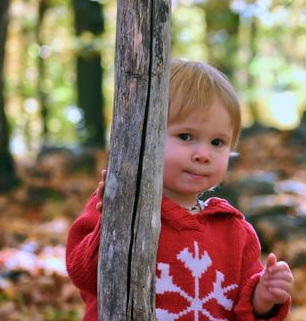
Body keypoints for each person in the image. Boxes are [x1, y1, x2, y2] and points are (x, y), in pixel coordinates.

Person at [66, 60, 294, 321]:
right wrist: (114, 222)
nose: (203, 154)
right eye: (185, 136)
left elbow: (245, 310)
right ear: (144, 135)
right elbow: (84, 276)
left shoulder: (235, 233)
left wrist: (262, 298)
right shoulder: (114, 206)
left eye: (217, 142)